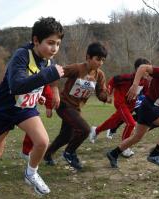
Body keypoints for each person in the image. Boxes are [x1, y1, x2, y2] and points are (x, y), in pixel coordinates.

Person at [0, 17, 64, 195]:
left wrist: (38, 95)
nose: (54, 48)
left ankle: (30, 173)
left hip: (24, 110)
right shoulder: (22, 55)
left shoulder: (48, 62)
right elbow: (17, 85)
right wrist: (48, 75)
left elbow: (36, 82)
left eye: (57, 43)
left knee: (42, 142)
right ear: (35, 40)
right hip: (4, 109)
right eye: (50, 43)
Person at [41, 42, 110, 170]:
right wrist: (55, 90)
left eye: (103, 60)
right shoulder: (77, 68)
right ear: (88, 57)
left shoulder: (100, 75)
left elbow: (101, 94)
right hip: (64, 105)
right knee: (85, 130)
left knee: (66, 136)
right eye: (98, 59)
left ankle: (47, 154)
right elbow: (55, 72)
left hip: (76, 109)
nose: (100, 63)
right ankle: (69, 152)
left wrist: (106, 96)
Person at [89, 58, 150, 158]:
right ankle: (124, 147)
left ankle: (96, 130)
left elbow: (147, 94)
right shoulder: (126, 78)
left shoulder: (145, 82)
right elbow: (113, 80)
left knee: (113, 122)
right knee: (131, 124)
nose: (148, 71)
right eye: (146, 69)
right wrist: (108, 93)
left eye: (149, 69)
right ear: (138, 69)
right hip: (120, 103)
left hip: (130, 106)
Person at [21, 84, 54, 160]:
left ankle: (26, 152)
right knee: (1, 131)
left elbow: (45, 87)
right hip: (9, 106)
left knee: (34, 129)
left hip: (29, 107)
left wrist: (48, 106)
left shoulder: (40, 73)